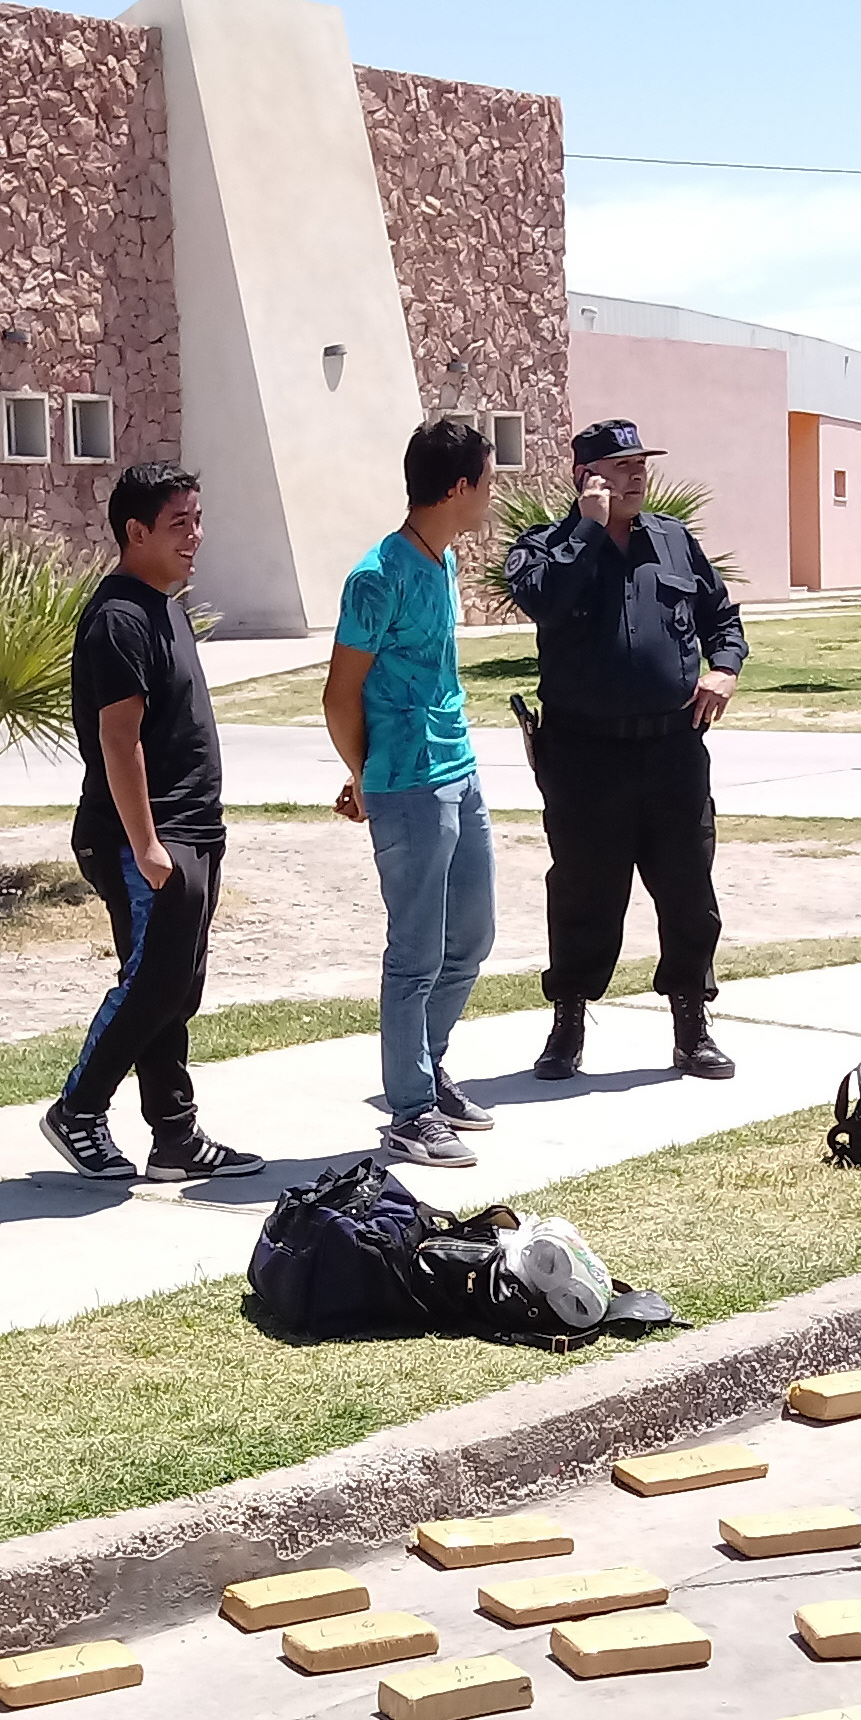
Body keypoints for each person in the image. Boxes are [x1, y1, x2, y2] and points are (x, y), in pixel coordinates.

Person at [501, 418, 747, 1082]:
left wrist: (724, 669)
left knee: (688, 890)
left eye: (641, 464)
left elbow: (721, 618)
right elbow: (544, 601)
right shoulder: (544, 547)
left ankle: (691, 1026)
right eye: (621, 466)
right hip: (584, 756)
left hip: (672, 751)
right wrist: (585, 529)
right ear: (586, 477)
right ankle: (568, 1025)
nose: (637, 475)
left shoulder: (673, 540)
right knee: (583, 892)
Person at [41, 462, 263, 1185]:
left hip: (192, 829)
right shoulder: (119, 618)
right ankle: (77, 1110)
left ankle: (174, 1137)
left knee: (177, 989)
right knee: (152, 984)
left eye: (197, 520)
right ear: (135, 532)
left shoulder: (165, 605)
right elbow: (119, 739)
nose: (195, 536)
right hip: (144, 837)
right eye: (178, 524)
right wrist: (145, 844)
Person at [326, 417, 498, 1168]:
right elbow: (339, 694)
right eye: (487, 481)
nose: (492, 494)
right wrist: (365, 774)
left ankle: (428, 1071)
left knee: (472, 936)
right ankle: (410, 1110)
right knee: (416, 953)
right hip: (407, 785)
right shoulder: (377, 576)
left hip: (459, 770)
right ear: (457, 487)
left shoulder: (443, 559)